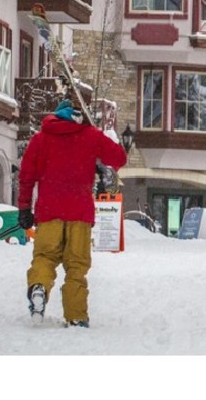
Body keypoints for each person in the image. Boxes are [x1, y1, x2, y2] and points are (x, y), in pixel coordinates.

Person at [17, 100, 128, 327]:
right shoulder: (89, 135)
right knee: (76, 266)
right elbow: (119, 158)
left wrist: (24, 208)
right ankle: (76, 317)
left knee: (45, 258)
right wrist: (97, 152)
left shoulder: (41, 139)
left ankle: (39, 286)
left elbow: (26, 177)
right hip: (79, 212)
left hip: (49, 212)